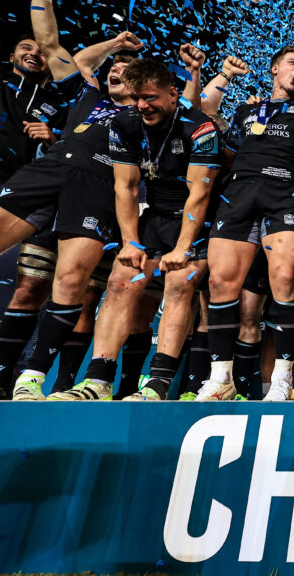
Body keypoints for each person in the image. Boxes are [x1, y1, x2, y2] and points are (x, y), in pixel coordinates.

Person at [0, 0, 141, 400]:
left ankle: (30, 379)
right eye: (113, 68)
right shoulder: (86, 95)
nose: (115, 71)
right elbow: (53, 45)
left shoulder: (147, 118)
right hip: (50, 169)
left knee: (72, 285)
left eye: (126, 70)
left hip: (97, 187)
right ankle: (2, 375)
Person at [48, 53, 219, 400]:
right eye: (137, 97)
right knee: (120, 281)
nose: (142, 105)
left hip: (197, 218)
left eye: (150, 97)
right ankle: (97, 381)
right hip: (154, 215)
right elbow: (125, 187)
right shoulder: (123, 124)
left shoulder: (201, 128)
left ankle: (157, 385)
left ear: (173, 93)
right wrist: (130, 242)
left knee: (179, 283)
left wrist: (182, 248)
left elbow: (199, 194)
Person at [198, 45, 294, 401]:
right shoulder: (247, 110)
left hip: (284, 195)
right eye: (293, 63)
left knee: (284, 279)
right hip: (239, 195)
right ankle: (221, 379)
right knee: (220, 282)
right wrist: (225, 76)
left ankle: (283, 378)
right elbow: (205, 117)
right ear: (275, 69)